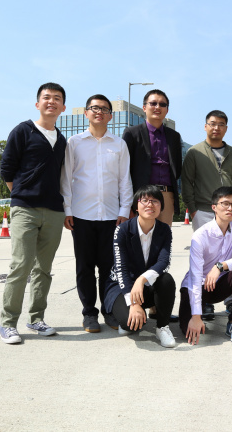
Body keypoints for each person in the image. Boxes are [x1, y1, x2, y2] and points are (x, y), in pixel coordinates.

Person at [0, 82, 68, 344]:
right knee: (21, 265)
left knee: (44, 269)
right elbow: (7, 168)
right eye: (46, 98)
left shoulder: (61, 139)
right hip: (25, 209)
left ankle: (36, 318)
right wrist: (23, 193)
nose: (51, 102)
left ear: (62, 107)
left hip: (53, 211)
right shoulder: (23, 130)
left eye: (57, 98)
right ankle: (7, 323)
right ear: (37, 104)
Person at [60, 94, 133, 333]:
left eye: (104, 109)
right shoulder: (74, 142)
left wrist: (124, 210)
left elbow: (125, 180)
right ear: (86, 113)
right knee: (84, 267)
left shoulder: (119, 144)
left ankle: (109, 311)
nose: (99, 112)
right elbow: (66, 179)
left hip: (112, 216)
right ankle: (89, 314)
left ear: (111, 116)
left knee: (109, 268)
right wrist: (67, 210)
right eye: (94, 108)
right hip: (81, 215)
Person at [181, 109, 232, 320]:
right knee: (205, 256)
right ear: (205, 126)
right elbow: (187, 182)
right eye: (212, 123)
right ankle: (205, 301)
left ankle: (229, 299)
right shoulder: (195, 152)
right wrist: (192, 209)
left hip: (230, 210)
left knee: (231, 255)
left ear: (226, 128)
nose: (216, 127)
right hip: (203, 209)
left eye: (220, 124)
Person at [103, 186, 176, 348]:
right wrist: (133, 303)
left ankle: (162, 327)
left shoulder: (164, 230)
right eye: (145, 200)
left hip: (146, 284)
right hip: (121, 287)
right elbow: (121, 268)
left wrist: (142, 279)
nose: (150, 204)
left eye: (155, 201)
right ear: (137, 206)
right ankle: (129, 314)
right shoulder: (122, 230)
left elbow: (164, 262)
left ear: (161, 207)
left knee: (166, 280)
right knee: (130, 325)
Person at [179, 186, 232, 345]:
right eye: (225, 204)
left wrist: (220, 266)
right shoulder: (200, 236)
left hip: (220, 283)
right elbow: (195, 277)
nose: (230, 208)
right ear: (214, 207)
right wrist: (196, 316)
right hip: (198, 285)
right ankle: (199, 312)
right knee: (187, 329)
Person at [122, 89, 182, 226]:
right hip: (142, 195)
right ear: (144, 107)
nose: (157, 107)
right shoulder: (132, 133)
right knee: (140, 241)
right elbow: (124, 170)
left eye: (162, 104)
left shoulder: (174, 136)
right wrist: (128, 204)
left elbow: (177, 168)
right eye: (153, 103)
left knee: (163, 241)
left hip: (166, 196)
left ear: (167, 110)